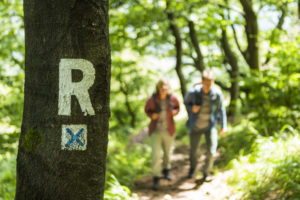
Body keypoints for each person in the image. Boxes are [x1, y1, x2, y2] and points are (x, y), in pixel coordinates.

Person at [184, 70, 227, 181]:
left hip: (210, 126)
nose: (208, 85)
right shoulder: (193, 92)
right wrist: (191, 109)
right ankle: (192, 170)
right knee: (194, 152)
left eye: (210, 83)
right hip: (195, 126)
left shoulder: (217, 93)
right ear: (202, 81)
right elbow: (186, 102)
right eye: (206, 82)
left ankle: (206, 173)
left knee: (212, 151)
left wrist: (223, 125)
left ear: (213, 82)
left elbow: (221, 109)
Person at [145, 79, 180, 190]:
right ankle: (156, 176)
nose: (164, 89)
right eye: (162, 87)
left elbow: (177, 107)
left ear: (168, 87)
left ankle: (166, 170)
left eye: (165, 87)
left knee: (167, 152)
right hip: (155, 131)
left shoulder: (172, 98)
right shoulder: (153, 99)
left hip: (169, 130)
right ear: (158, 88)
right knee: (156, 154)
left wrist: (175, 112)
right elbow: (147, 110)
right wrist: (152, 115)